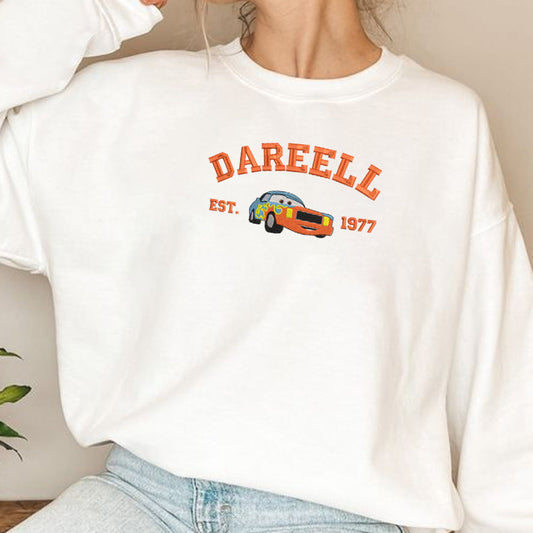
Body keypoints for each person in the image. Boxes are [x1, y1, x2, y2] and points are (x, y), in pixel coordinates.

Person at [1, 0, 532, 532]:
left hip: (339, 517)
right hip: (141, 499)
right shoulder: (123, 100)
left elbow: (505, 379)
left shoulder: (444, 122)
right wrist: (99, 8)